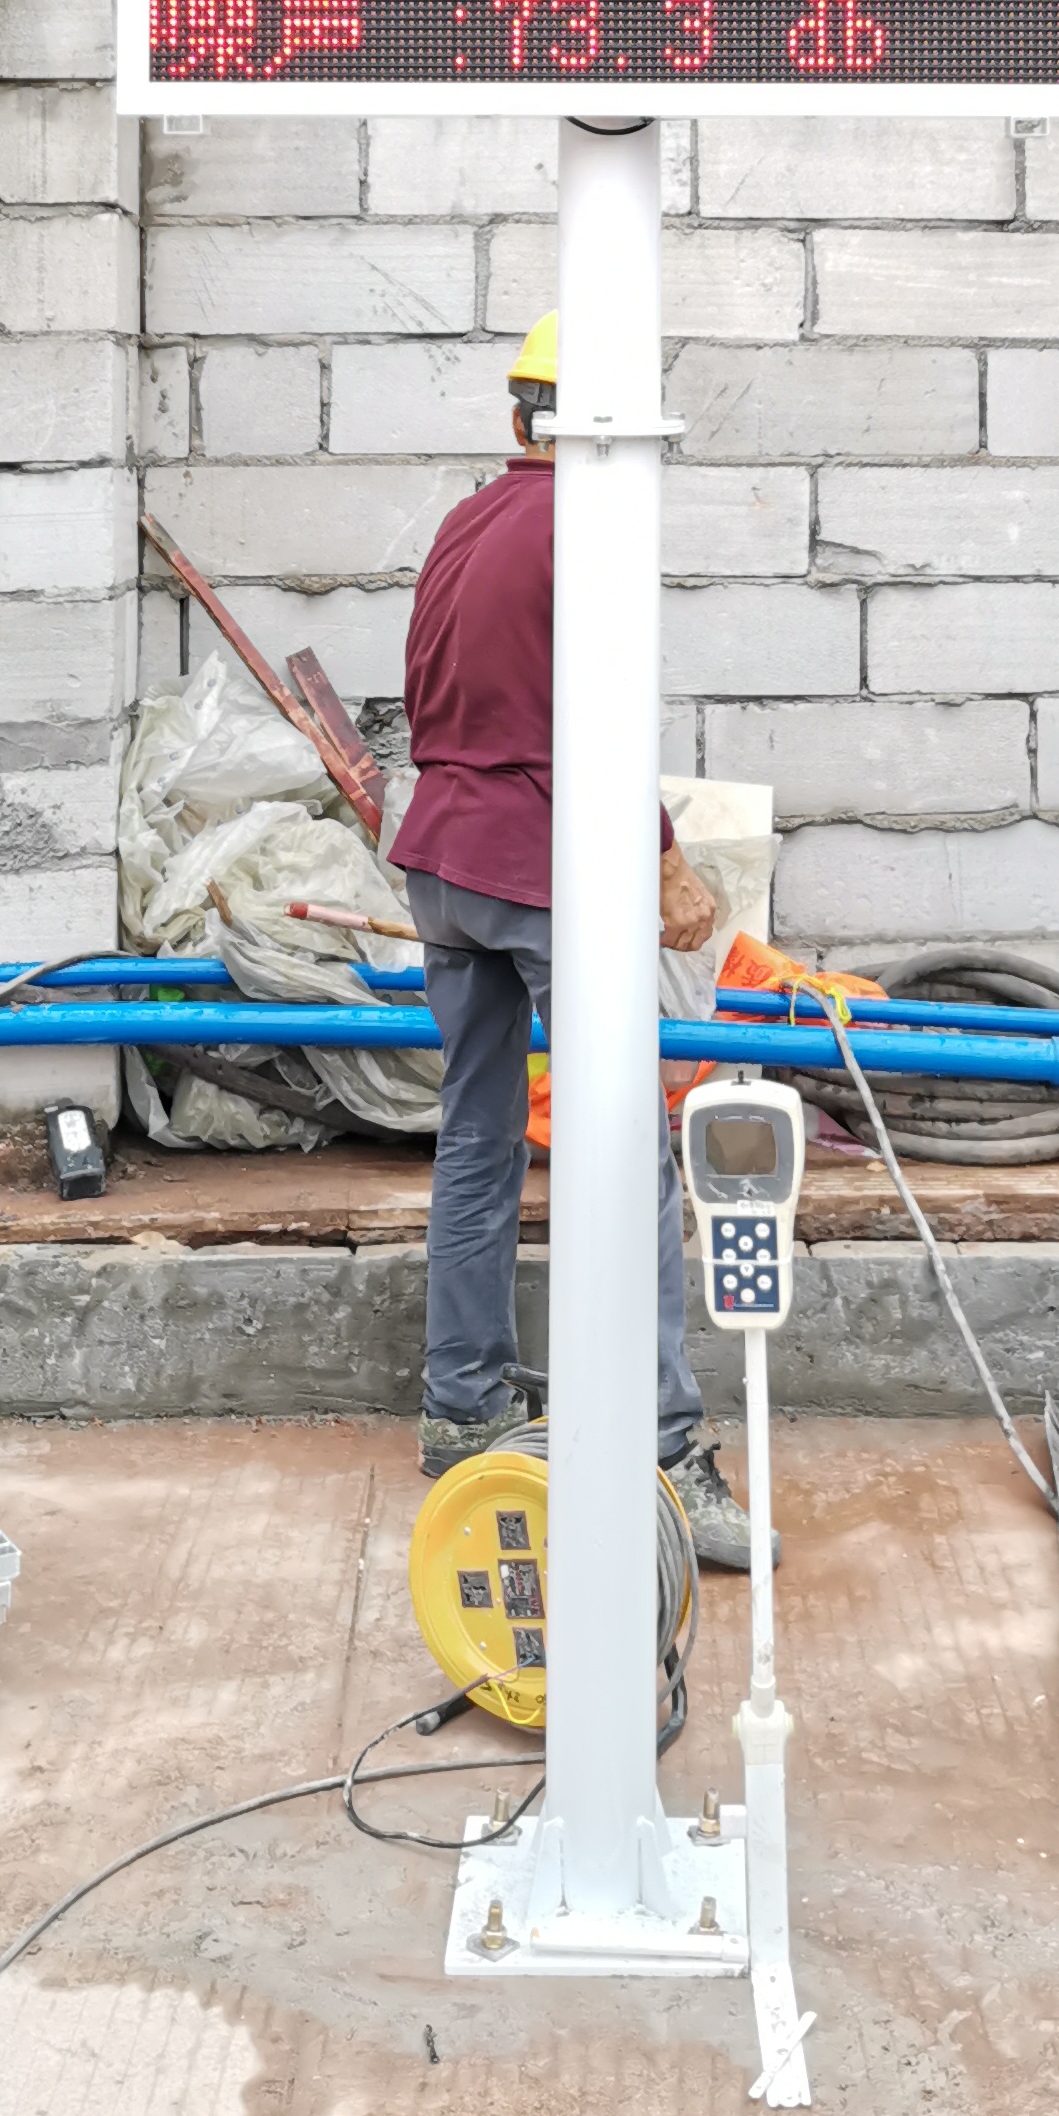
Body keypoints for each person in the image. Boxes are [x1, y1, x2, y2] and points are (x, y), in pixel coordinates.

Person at [397, 310, 769, 1571]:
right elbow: (592, 724)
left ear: (521, 414)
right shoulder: (585, 524)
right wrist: (664, 861)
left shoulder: (466, 521)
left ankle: (462, 1405)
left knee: (478, 1135)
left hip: (443, 863)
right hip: (532, 864)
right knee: (625, 1156)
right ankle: (666, 1453)